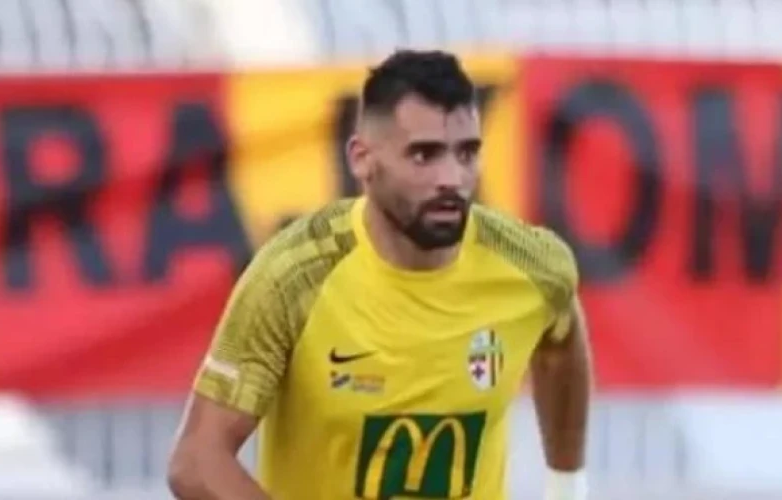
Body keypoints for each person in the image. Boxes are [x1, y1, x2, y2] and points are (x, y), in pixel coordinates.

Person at [167, 49, 592, 500]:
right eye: (424, 155)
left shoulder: (531, 266)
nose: (452, 177)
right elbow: (196, 461)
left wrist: (567, 485)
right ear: (362, 159)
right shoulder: (295, 275)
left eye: (467, 152)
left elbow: (559, 344)